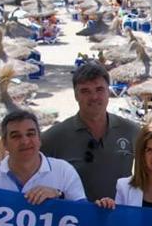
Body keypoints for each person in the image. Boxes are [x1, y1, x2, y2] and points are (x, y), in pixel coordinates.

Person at [41, 62, 140, 201]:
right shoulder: (53, 138)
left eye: (99, 89)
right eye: (85, 91)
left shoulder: (131, 131)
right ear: (76, 95)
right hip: (75, 219)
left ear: (108, 92)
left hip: (119, 218)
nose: (94, 97)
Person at [0, 110, 95, 205]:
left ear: (39, 139)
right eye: (16, 136)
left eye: (30, 134)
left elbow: (82, 217)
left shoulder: (64, 171)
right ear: (4, 143)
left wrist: (58, 196)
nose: (25, 141)